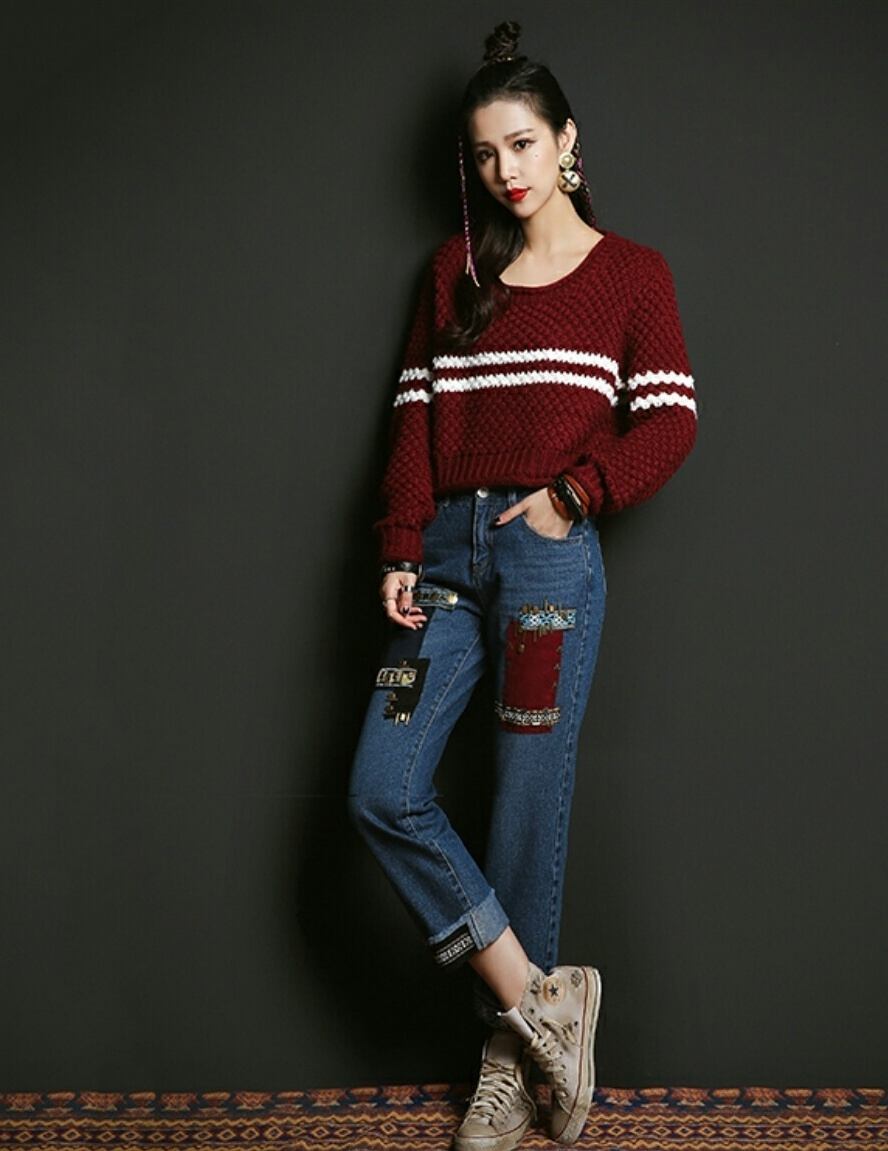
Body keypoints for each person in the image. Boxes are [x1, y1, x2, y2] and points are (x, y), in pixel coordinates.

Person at [347, 19, 698, 1151]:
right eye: (486, 152)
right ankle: (545, 1005)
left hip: (547, 555)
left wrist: (574, 494)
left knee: (522, 803)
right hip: (446, 565)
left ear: (567, 141)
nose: (507, 168)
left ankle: (506, 1065)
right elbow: (413, 415)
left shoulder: (633, 274)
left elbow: (671, 420)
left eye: (524, 143)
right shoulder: (452, 273)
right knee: (383, 787)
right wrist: (401, 543)